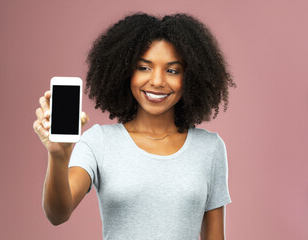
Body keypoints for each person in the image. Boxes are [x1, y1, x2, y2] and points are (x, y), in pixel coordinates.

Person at [33, 12, 237, 240]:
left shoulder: (210, 148)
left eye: (172, 70)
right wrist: (58, 157)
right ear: (124, 71)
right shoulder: (99, 141)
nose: (157, 81)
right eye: (144, 67)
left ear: (190, 78)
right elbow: (58, 213)